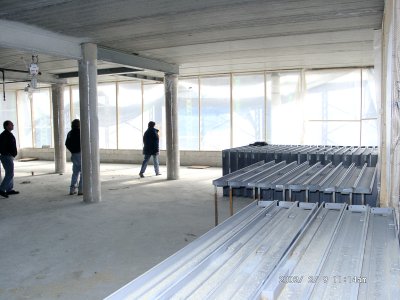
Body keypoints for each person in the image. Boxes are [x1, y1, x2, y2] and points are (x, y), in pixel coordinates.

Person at [0, 120, 19, 198]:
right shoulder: (4, 135)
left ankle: (9, 189)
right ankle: (1, 189)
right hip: (6, 156)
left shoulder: (8, 134)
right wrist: (8, 153)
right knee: (9, 173)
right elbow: (2, 146)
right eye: (11, 124)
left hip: (8, 156)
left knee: (11, 173)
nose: (13, 125)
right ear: (7, 126)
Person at [65, 119, 82, 195]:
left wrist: (72, 150)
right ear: (79, 125)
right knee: (83, 172)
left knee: (75, 173)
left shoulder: (70, 133)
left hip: (74, 155)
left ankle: (72, 189)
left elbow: (67, 144)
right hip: (81, 154)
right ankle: (81, 190)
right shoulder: (81, 132)